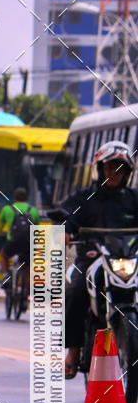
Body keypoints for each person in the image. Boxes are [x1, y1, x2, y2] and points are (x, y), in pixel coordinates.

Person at [59, 140, 138, 379]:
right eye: (109, 167)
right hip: (91, 261)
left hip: (127, 261)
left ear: (126, 172)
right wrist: (64, 230)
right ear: (100, 168)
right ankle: (73, 351)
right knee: (74, 290)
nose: (113, 172)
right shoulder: (84, 197)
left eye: (119, 168)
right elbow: (66, 217)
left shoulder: (133, 198)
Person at [0, 186, 39, 294]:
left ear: (14, 198)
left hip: (13, 242)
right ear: (27, 198)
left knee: (3, 255)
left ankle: (6, 276)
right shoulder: (33, 211)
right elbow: (36, 230)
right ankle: (25, 298)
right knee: (27, 269)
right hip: (27, 244)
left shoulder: (7, 209)